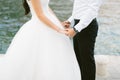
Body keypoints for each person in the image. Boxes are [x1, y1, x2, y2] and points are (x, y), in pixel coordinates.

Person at [0, 0, 81, 80]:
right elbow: (40, 15)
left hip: (50, 23)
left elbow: (47, 8)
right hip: (39, 25)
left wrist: (59, 23)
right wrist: (58, 29)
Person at [63, 0, 102, 80]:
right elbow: (80, 8)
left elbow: (92, 11)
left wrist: (76, 29)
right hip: (78, 25)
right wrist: (70, 20)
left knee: (86, 61)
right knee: (78, 58)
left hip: (87, 27)